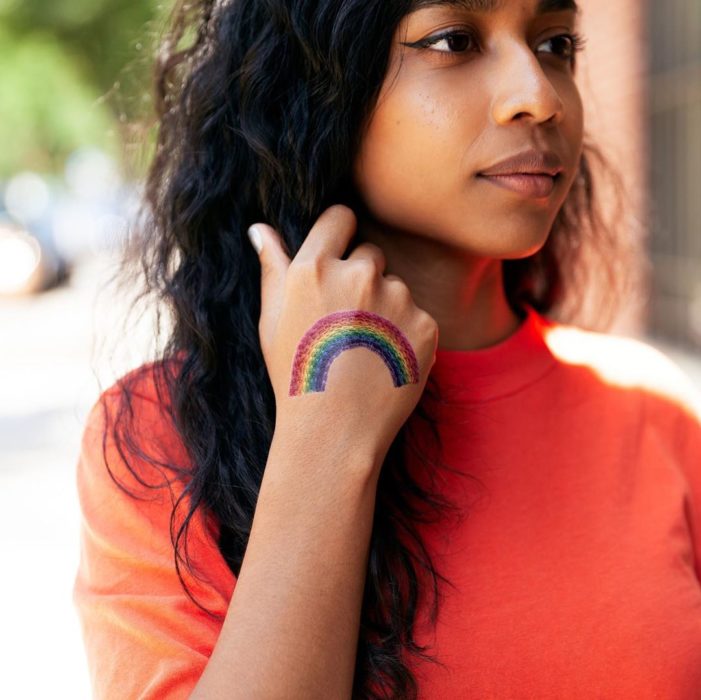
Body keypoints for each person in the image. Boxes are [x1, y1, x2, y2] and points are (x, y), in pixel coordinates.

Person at [72, 0, 701, 698]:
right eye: (453, 40)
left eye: (555, 44)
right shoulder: (160, 439)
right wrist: (326, 438)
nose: (539, 97)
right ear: (311, 86)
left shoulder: (656, 411)